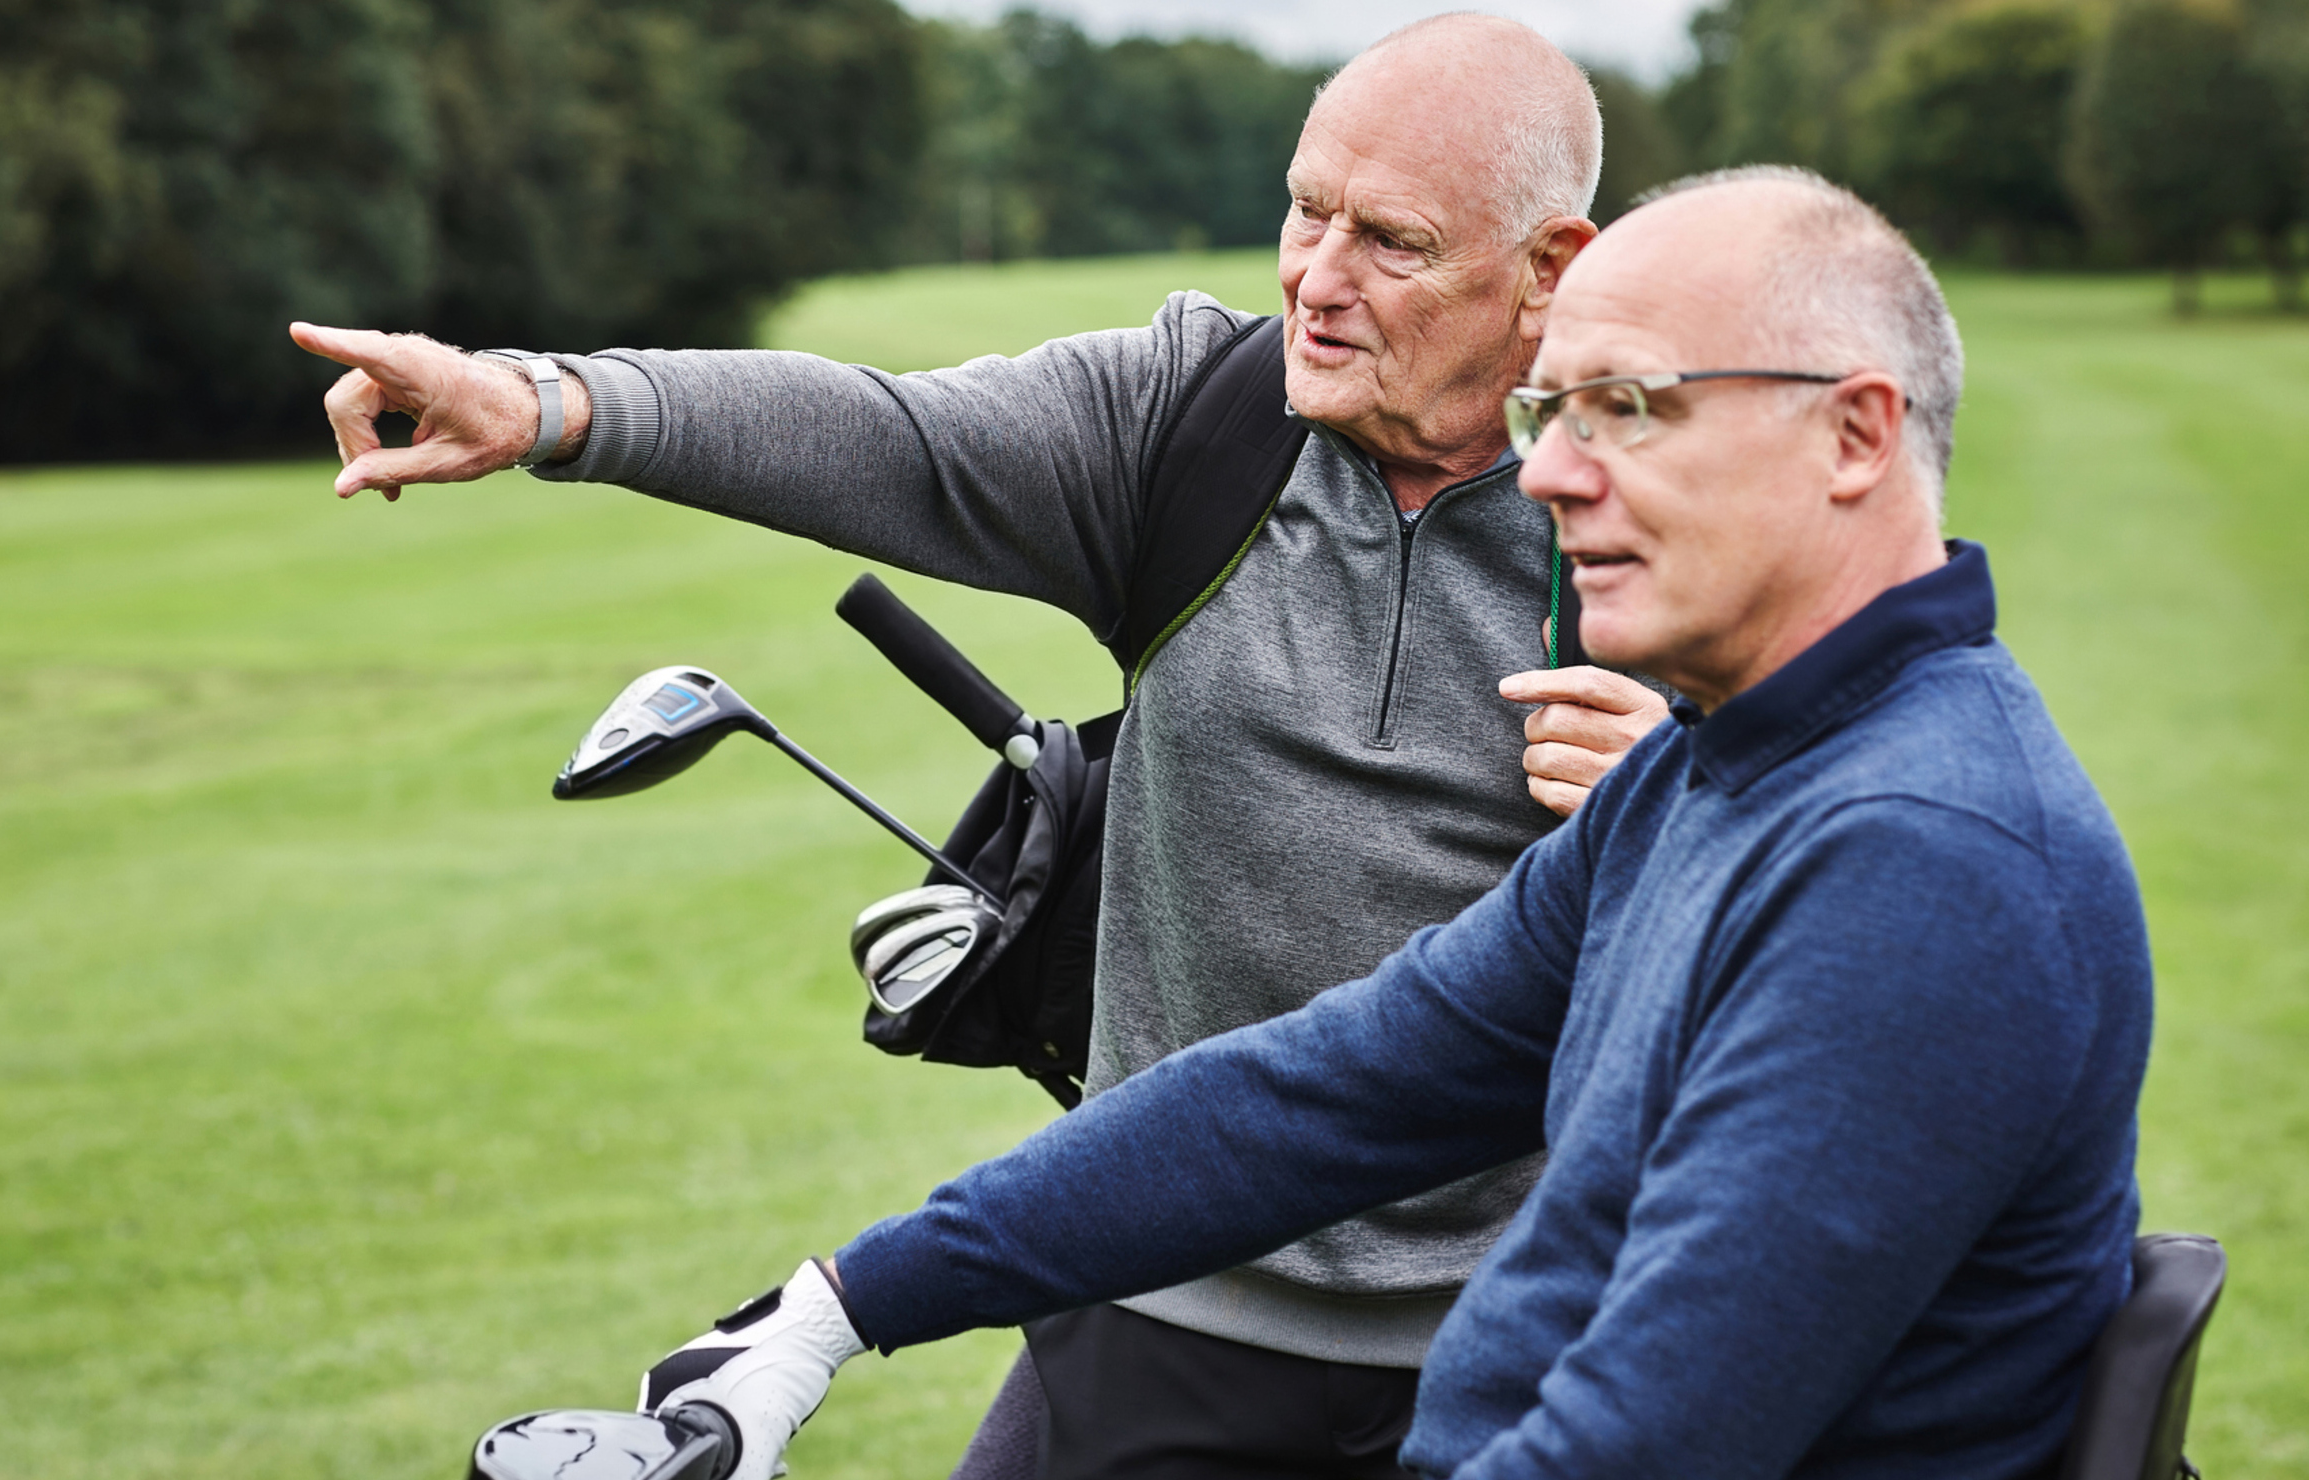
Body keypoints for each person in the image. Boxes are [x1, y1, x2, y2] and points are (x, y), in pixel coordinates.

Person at [294, 16, 1672, 1478]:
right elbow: (888, 436)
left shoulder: (1669, 507)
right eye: (1305, 211)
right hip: (1157, 1287)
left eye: (1389, 242)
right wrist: (548, 403)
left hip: (1530, 1334)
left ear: (1550, 269)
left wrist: (1701, 781)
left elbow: (1862, 827)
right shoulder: (1193, 423)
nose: (1315, 281)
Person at [631, 167, 2155, 1480]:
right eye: (1554, 409)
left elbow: (1648, 1442)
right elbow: (1332, 1091)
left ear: (1854, 436)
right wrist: (835, 1304)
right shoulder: (1717, 772)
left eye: (1629, 408)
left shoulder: (1916, 859)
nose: (1550, 471)